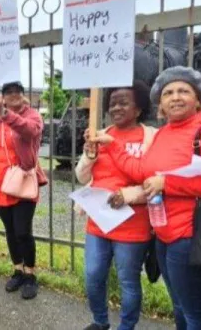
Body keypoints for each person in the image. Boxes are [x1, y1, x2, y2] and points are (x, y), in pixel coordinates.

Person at [89, 67, 201, 330]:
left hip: (190, 235)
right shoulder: (163, 134)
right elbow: (141, 171)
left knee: (194, 311)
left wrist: (169, 184)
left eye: (184, 91)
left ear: (198, 100)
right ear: (160, 103)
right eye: (168, 93)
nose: (175, 97)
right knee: (180, 306)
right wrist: (112, 144)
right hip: (163, 234)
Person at [76, 81, 157, 330]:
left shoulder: (151, 137)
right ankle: (100, 321)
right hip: (98, 221)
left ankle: (126, 326)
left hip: (133, 223)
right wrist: (90, 156)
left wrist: (129, 194)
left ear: (139, 108)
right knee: (92, 276)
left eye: (124, 102)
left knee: (128, 281)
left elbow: (154, 180)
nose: (117, 108)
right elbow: (81, 176)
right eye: (112, 103)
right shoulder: (99, 133)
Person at [0, 82, 48, 300]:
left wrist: (4, 112)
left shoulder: (32, 116)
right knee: (10, 231)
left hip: (22, 183)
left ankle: (30, 274)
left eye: (18, 91)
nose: (14, 95)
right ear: (3, 96)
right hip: (2, 185)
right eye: (9, 92)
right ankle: (18, 269)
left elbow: (28, 131)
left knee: (22, 232)